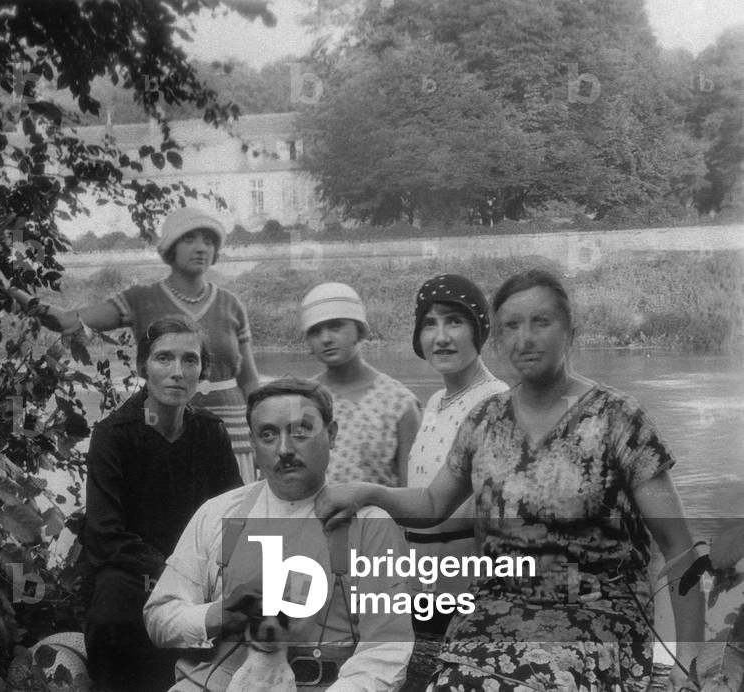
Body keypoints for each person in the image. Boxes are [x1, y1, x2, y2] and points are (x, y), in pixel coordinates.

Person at [316, 269, 705, 691]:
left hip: (599, 614)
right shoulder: (485, 420)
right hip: (496, 610)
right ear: (497, 339)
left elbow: (678, 549)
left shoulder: (619, 419)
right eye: (512, 326)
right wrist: (368, 492)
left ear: (570, 329)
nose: (525, 338)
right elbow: (433, 504)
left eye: (541, 322)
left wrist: (689, 666)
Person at [143, 377, 414, 691]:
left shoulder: (370, 526)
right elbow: (160, 616)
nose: (284, 449)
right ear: (254, 444)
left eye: (301, 430)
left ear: (332, 434)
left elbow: (385, 650)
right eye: (268, 434)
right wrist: (222, 614)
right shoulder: (218, 513)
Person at [5, 206, 261, 483]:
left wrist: (264, 436)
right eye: (190, 239)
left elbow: (250, 383)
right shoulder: (141, 299)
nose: (201, 248)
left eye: (209, 241)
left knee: (238, 521)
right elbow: (68, 321)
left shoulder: (231, 304)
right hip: (165, 433)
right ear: (171, 248)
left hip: (233, 436)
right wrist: (11, 288)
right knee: (174, 521)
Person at [82, 315, 243, 692]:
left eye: (190, 360)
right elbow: (105, 535)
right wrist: (172, 574)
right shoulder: (113, 435)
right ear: (143, 367)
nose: (177, 372)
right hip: (131, 570)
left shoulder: (210, 432)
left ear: (202, 371)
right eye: (164, 358)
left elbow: (234, 517)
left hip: (199, 570)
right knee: (112, 611)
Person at [401, 275, 509, 691]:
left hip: (468, 596)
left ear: (479, 330)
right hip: (423, 591)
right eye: (430, 324)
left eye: (454, 322)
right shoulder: (433, 402)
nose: (441, 337)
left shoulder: (496, 402)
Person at [300, 282, 421, 486]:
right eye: (315, 331)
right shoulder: (303, 400)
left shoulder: (399, 403)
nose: (326, 338)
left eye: (336, 326)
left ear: (360, 331)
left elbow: (411, 489)